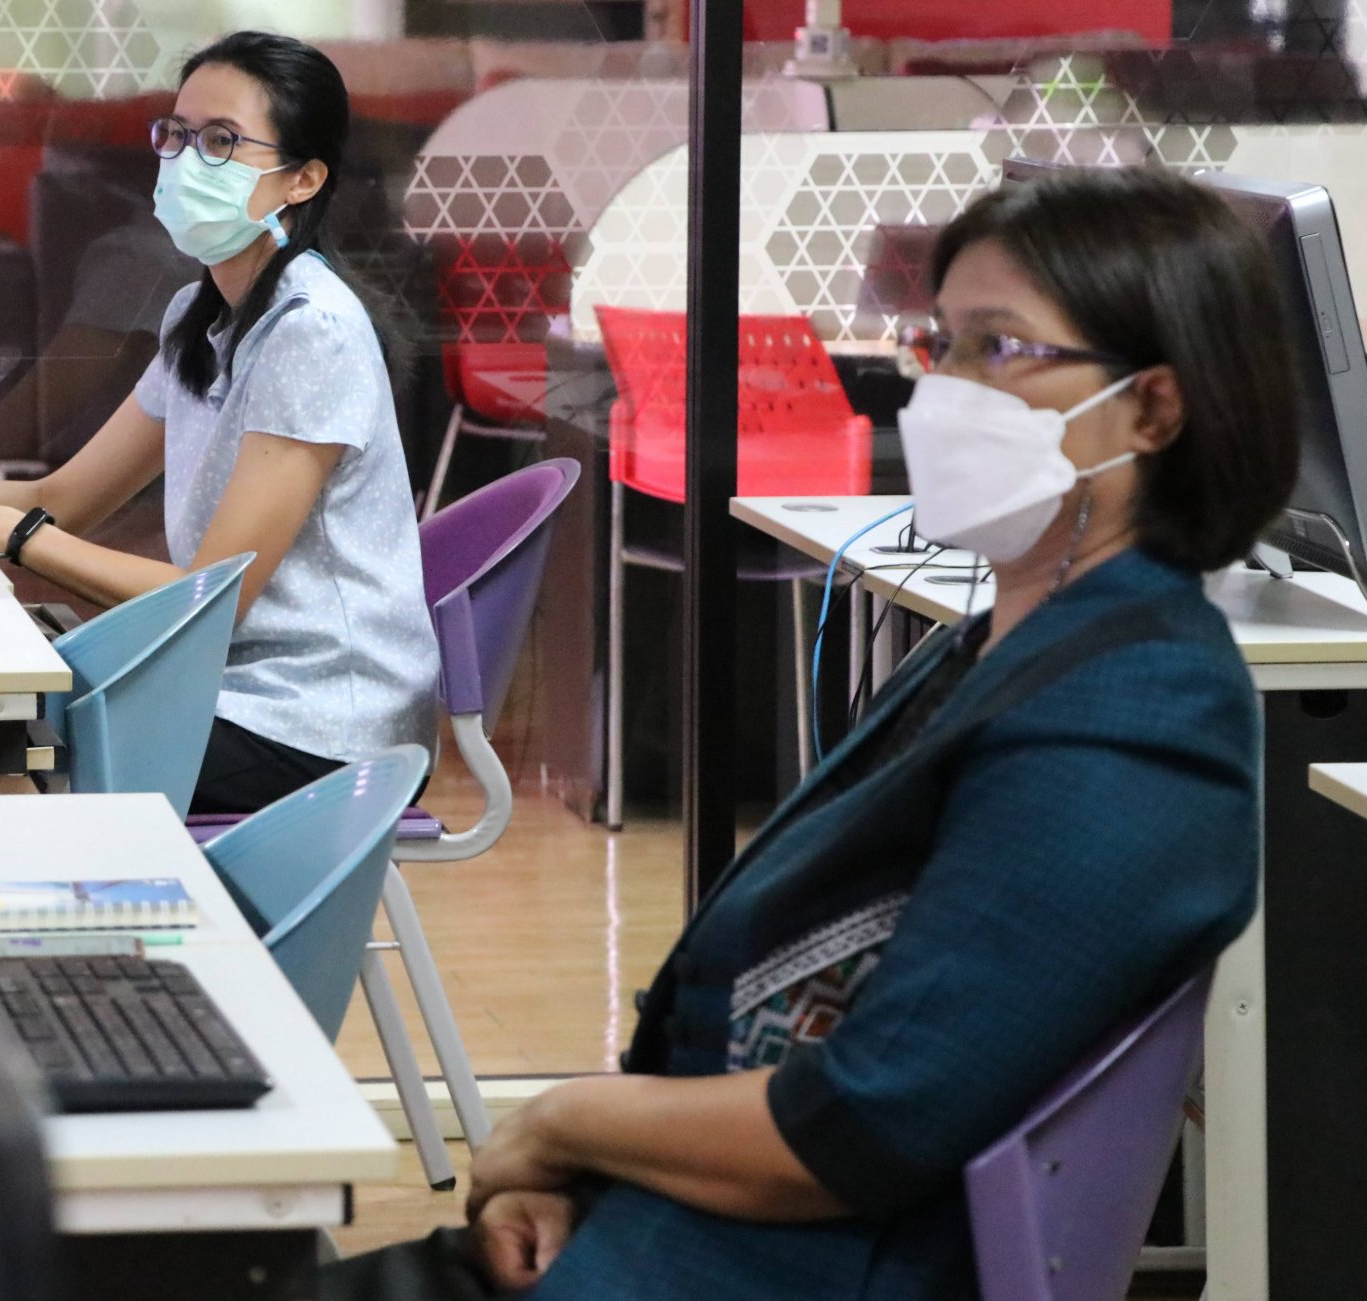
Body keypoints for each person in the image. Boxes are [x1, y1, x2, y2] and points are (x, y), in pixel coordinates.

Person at [323, 165, 1297, 1299]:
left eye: (997, 347)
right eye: (939, 345)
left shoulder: (1137, 708)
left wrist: (562, 1124)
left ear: (1152, 410)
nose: (942, 390)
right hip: (672, 1235)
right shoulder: (1002, 648)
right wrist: (578, 1175)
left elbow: (865, 1122)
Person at [0, 32, 439, 813]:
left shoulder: (311, 333)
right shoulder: (201, 316)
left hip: (318, 726)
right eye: (177, 135)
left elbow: (213, 597)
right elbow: (63, 496)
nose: (186, 160)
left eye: (221, 141)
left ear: (303, 178)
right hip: (223, 689)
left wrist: (12, 537)